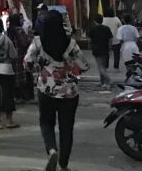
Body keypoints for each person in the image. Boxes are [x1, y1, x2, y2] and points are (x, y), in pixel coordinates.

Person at [25, 10, 85, 171]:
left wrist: (40, 68)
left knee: (46, 122)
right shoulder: (71, 43)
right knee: (66, 128)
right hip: (69, 92)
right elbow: (84, 65)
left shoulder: (38, 42)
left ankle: (52, 150)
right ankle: (63, 164)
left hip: (46, 90)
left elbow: (27, 63)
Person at [7, 13, 34, 102]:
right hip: (21, 56)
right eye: (21, 19)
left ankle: (16, 96)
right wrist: (30, 35)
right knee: (24, 76)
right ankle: (25, 96)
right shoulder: (19, 30)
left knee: (15, 76)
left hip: (12, 56)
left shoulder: (9, 30)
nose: (22, 21)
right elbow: (25, 42)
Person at [87, 14, 113, 89]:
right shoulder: (106, 28)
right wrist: (110, 47)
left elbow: (89, 40)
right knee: (103, 66)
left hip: (96, 49)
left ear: (95, 21)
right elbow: (110, 38)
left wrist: (89, 46)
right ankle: (102, 82)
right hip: (105, 48)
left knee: (100, 67)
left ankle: (109, 80)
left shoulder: (93, 29)